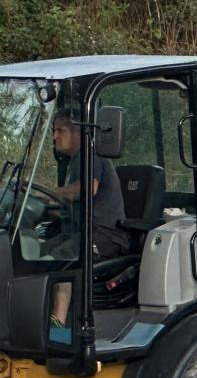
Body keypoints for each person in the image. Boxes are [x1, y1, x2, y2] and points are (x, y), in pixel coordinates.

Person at [46, 112, 129, 329]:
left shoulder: (91, 155)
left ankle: (58, 328)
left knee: (61, 258)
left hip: (105, 235)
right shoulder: (73, 161)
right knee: (39, 252)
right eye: (54, 131)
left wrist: (53, 194)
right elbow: (73, 206)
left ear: (79, 134)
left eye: (60, 131)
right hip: (82, 231)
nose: (55, 137)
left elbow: (87, 189)